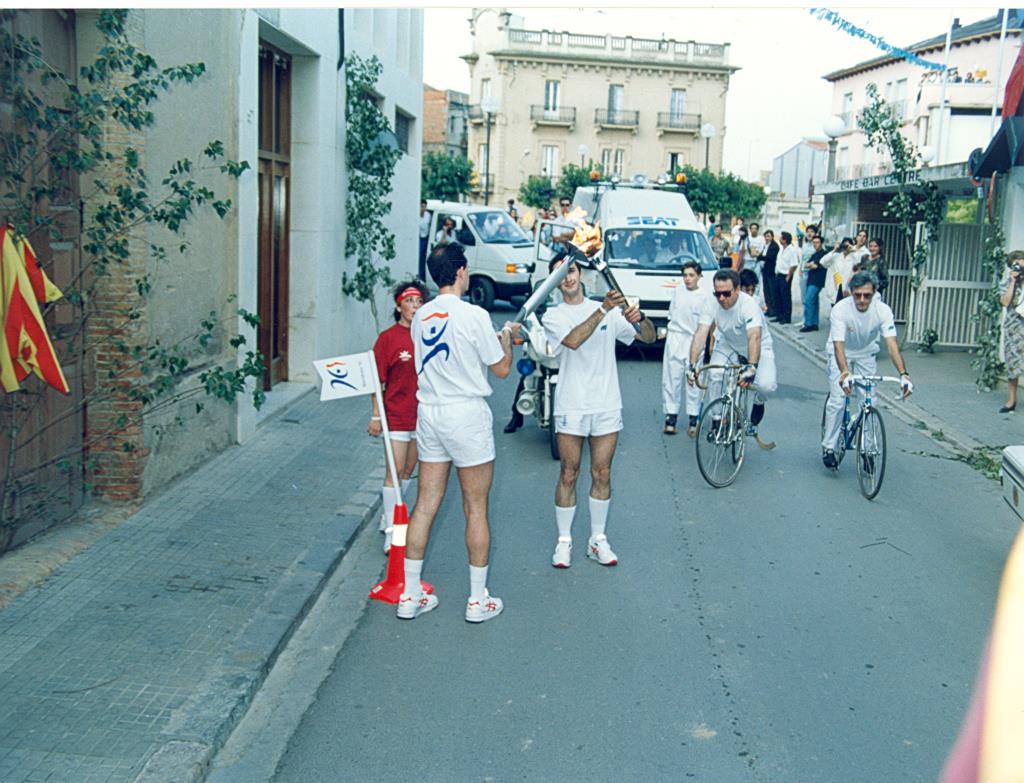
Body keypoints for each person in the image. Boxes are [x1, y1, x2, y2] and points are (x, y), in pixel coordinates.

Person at [399, 243, 520, 623]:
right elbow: (500, 369)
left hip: (430, 413)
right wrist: (507, 339)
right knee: (475, 507)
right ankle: (477, 599)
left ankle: (410, 593)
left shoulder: (420, 316)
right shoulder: (474, 315)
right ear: (462, 270)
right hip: (465, 415)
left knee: (425, 504)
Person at [542, 251, 656, 569]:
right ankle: (564, 541)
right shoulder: (554, 316)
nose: (568, 277)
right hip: (571, 403)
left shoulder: (608, 310)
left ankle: (597, 539)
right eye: (561, 273)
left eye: (572, 270)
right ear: (555, 282)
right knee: (569, 473)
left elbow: (648, 338)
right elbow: (574, 341)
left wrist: (638, 318)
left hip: (606, 403)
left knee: (602, 472)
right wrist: (604, 309)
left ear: (581, 274)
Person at [821, 271, 913, 469]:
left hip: (866, 354)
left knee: (870, 401)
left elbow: (891, 344)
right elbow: (838, 345)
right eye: (858, 295)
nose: (862, 300)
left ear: (874, 293)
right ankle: (829, 446)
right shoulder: (840, 310)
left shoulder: (883, 311)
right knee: (838, 399)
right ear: (851, 293)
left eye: (867, 295)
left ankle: (868, 449)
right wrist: (845, 373)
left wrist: (903, 374)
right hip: (841, 352)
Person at [370, 279, 429, 553]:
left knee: (407, 471)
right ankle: (393, 530)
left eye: (419, 302)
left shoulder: (427, 336)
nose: (414, 307)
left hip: (422, 416)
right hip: (395, 415)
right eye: (409, 301)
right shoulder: (388, 339)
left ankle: (390, 514)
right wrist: (376, 416)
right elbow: (377, 382)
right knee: (393, 472)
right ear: (399, 306)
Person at [687, 269, 778, 438]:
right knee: (715, 374)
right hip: (728, 343)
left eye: (726, 294)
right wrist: (691, 365)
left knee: (766, 385)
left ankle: (759, 402)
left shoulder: (748, 304)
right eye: (718, 293)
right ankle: (717, 418)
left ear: (737, 290)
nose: (721, 298)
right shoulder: (711, 302)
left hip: (758, 345)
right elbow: (701, 333)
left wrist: (751, 367)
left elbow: (754, 337)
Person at [662, 260, 713, 435]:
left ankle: (693, 419)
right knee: (672, 378)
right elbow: (672, 315)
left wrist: (708, 345)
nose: (687, 279)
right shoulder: (677, 291)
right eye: (685, 275)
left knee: (693, 379)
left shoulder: (706, 296)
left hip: (695, 340)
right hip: (675, 338)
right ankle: (671, 417)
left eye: (691, 275)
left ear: (699, 276)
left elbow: (708, 324)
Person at [998, 250, 1024, 413]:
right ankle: (1011, 401)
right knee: (1013, 364)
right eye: (1017, 263)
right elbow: (1005, 302)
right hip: (1015, 328)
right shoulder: (1007, 282)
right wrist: (1014, 281)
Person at [800, 235, 828, 332]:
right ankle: (815, 323)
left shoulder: (824, 253)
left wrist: (813, 265)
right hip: (811, 279)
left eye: (817, 242)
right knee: (814, 302)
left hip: (817, 280)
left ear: (821, 243)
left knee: (808, 300)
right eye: (814, 243)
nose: (815, 244)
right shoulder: (814, 254)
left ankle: (808, 324)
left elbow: (817, 266)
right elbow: (807, 264)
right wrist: (811, 265)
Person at [772, 231, 799, 325]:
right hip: (778, 274)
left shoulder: (791, 250)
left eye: (781, 238)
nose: (779, 239)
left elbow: (794, 264)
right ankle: (779, 315)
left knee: (785, 296)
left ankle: (786, 317)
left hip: (785, 275)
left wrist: (789, 276)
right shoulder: (781, 249)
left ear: (785, 240)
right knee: (777, 295)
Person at [822, 236, 857, 306]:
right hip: (835, 287)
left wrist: (853, 249)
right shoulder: (835, 256)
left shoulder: (854, 258)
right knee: (834, 309)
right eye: (844, 245)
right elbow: (822, 262)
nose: (846, 247)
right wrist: (834, 249)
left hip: (847, 289)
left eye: (848, 245)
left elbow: (857, 269)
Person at [758, 229, 780, 317]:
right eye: (765, 236)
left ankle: (773, 310)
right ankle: (769, 308)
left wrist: (759, 257)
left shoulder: (774, 246)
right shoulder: (765, 245)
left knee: (771, 291)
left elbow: (770, 257)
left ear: (772, 237)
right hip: (765, 271)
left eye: (768, 236)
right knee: (766, 291)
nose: (767, 238)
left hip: (771, 271)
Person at [799, 224, 819, 307]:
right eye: (808, 232)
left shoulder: (817, 245)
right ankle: (805, 317)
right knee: (804, 297)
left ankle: (811, 318)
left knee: (811, 298)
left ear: (816, 233)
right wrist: (800, 269)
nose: (809, 234)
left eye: (812, 232)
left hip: (813, 273)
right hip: (803, 273)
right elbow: (802, 259)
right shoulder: (805, 245)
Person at [418, 200, 430, 282]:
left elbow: (425, 225)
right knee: (419, 257)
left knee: (423, 257)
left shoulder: (428, 215)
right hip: (419, 238)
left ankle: (423, 276)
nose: (423, 208)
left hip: (425, 237)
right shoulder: (416, 214)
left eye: (424, 206)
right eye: (422, 206)